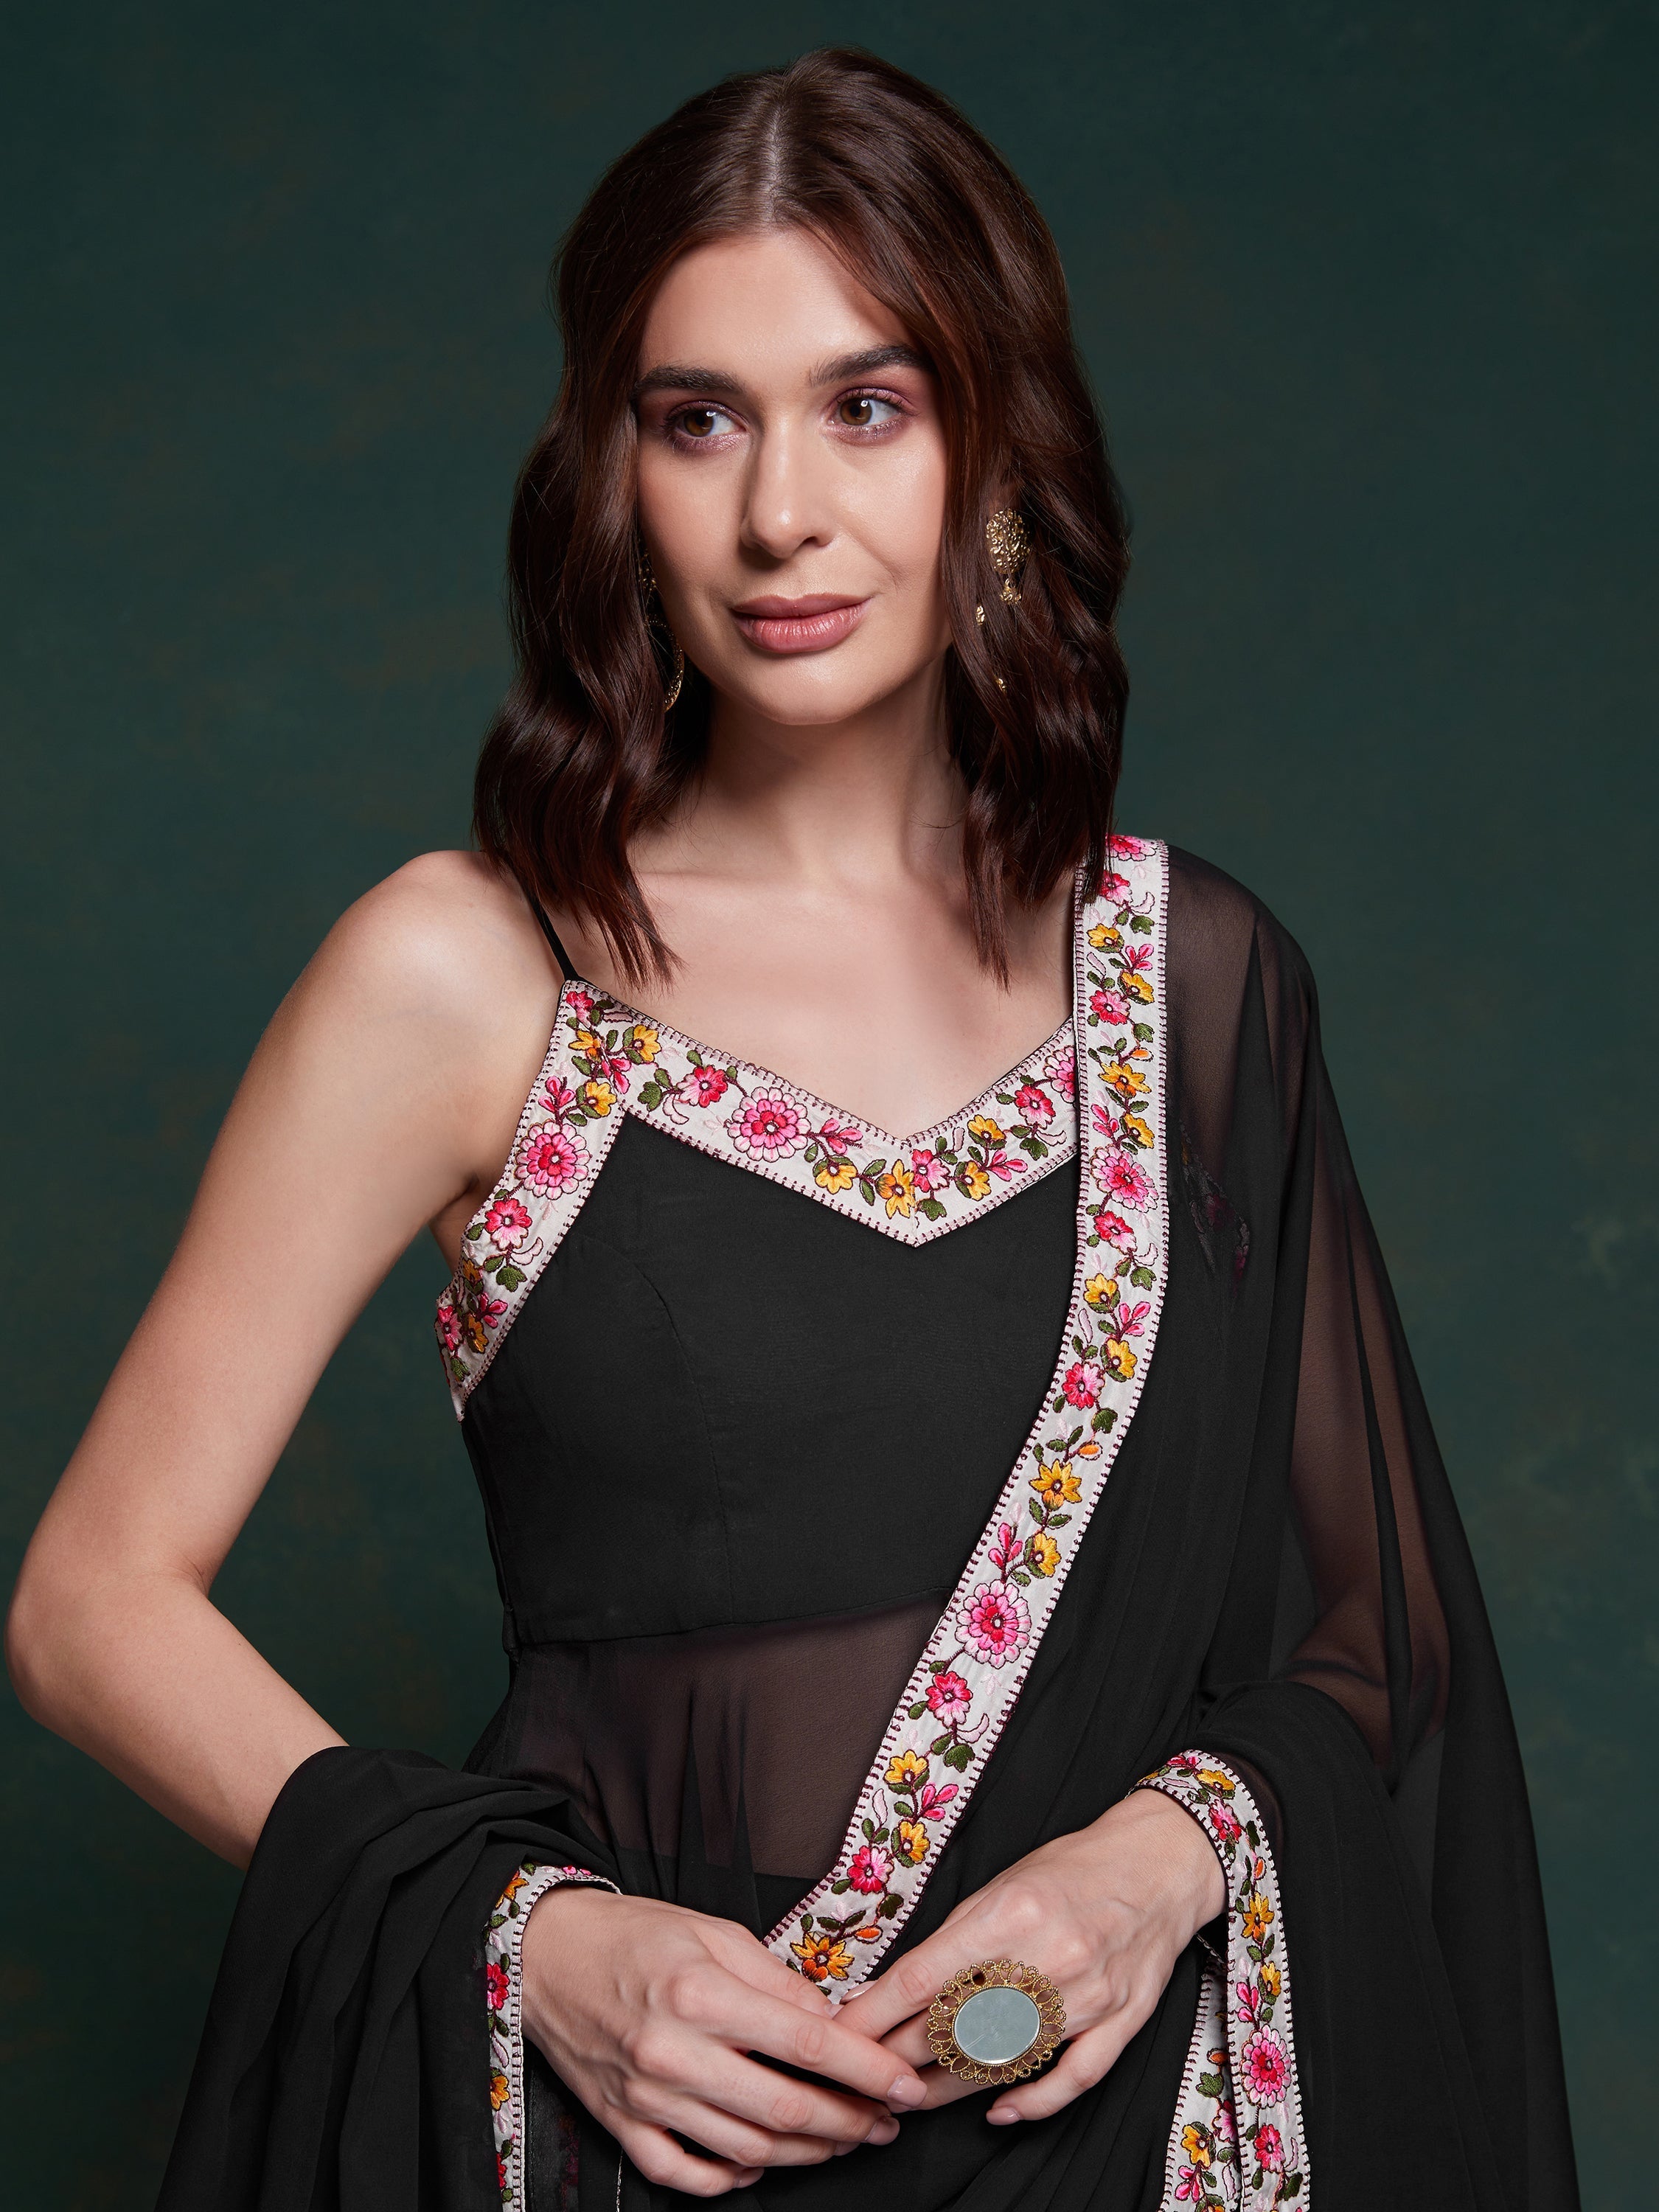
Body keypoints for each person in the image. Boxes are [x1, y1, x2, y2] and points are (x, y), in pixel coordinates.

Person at [6, 46, 1576, 2212]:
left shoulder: (1193, 977)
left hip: (1120, 2124)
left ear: (994, 445)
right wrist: (538, 1947)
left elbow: (1378, 1627)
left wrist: (1150, 1870)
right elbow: (90, 1603)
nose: (777, 515)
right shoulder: (470, 972)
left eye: (867, 404)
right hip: (632, 2122)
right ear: (611, 474)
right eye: (696, 419)